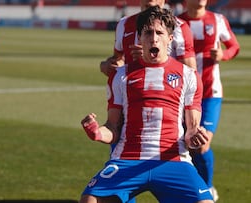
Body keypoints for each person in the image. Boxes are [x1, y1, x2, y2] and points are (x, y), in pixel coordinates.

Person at [80, 6, 214, 203]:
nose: (154, 38)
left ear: (170, 39)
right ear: (139, 38)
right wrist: (98, 133)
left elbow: (191, 130)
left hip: (173, 159)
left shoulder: (189, 76)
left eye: (159, 33)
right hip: (128, 158)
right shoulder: (120, 75)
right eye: (148, 33)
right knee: (90, 200)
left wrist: (195, 137)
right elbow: (112, 128)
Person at [179, 0, 240, 201]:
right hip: (183, 93)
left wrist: (223, 54)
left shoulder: (217, 19)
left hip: (210, 93)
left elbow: (234, 46)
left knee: (202, 144)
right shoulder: (177, 22)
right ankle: (192, 188)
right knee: (186, 144)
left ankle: (207, 188)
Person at [100, 0, 196, 77]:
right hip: (132, 93)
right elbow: (119, 59)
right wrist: (108, 65)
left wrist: (150, 58)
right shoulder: (124, 24)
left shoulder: (179, 27)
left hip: (164, 94)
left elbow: (190, 73)